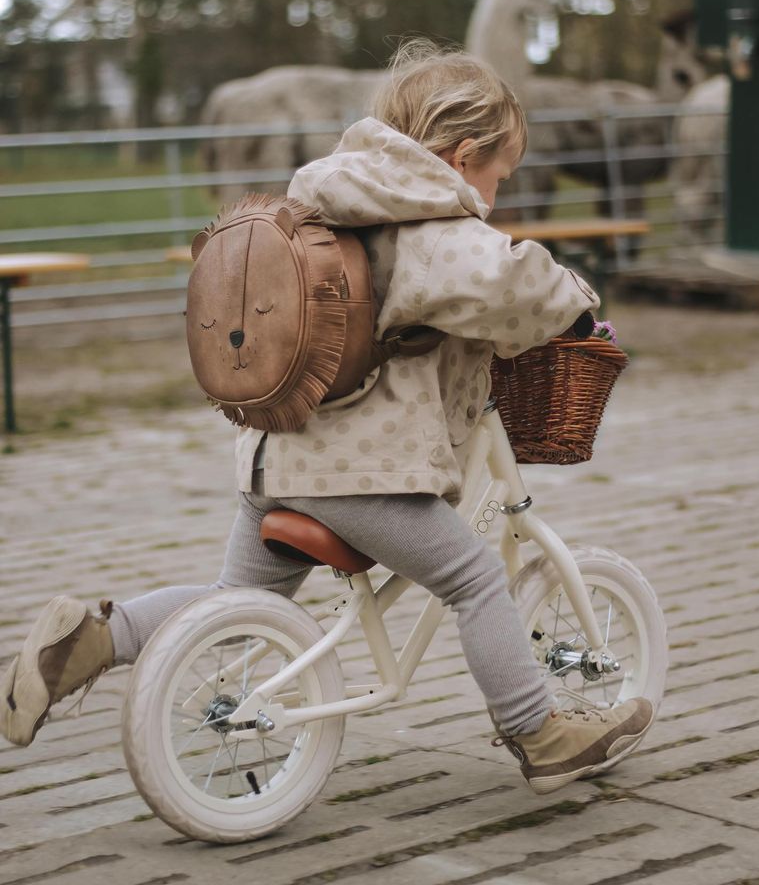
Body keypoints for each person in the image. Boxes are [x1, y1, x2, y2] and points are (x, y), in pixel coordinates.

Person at [0, 41, 653, 793]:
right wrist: (578, 304)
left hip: (273, 454)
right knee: (475, 578)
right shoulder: (428, 225)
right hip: (361, 475)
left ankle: (87, 641)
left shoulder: (328, 199)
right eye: (500, 175)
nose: (497, 193)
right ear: (464, 155)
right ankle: (541, 733)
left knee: (236, 604)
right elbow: (512, 284)